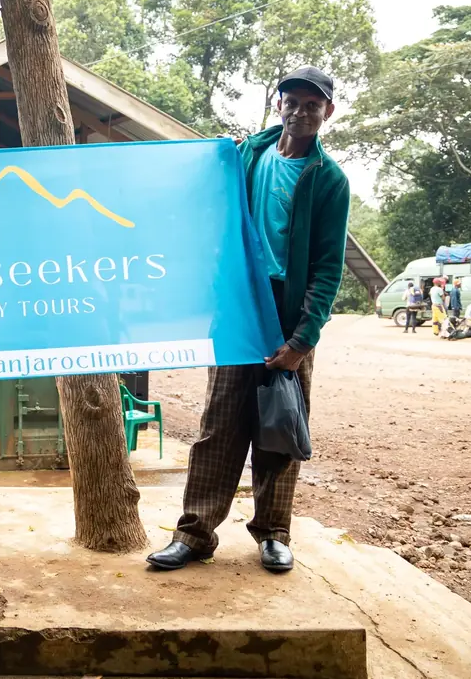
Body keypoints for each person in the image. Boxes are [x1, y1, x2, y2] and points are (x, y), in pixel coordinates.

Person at [146, 66, 350, 575]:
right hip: (238, 306)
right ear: (277, 104)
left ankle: (274, 534)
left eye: (313, 104)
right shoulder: (246, 155)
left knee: (278, 427)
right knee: (219, 426)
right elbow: (200, 197)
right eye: (293, 101)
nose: (301, 112)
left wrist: (303, 339)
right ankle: (194, 535)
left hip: (288, 311)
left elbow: (328, 266)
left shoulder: (329, 180)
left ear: (328, 112)